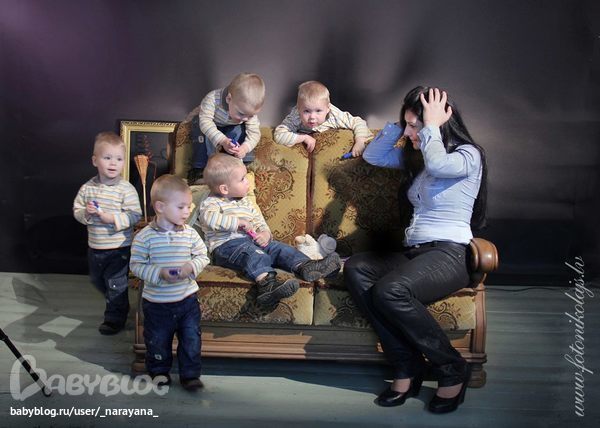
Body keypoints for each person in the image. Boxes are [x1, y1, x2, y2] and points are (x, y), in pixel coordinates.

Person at [344, 86, 488, 414]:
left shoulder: (467, 155)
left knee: (390, 290)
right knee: (357, 267)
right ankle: (407, 365)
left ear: (440, 122)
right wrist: (403, 124)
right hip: (416, 253)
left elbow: (438, 166)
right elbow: (373, 155)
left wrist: (431, 125)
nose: (410, 134)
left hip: (451, 255)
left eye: (415, 126)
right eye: (408, 126)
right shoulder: (420, 156)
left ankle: (451, 367)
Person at [196, 153, 341, 307]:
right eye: (242, 179)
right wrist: (237, 223)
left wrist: (265, 233)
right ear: (224, 189)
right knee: (253, 254)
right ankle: (266, 285)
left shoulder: (245, 203)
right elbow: (208, 219)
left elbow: (259, 221)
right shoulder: (211, 203)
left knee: (279, 248)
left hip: (251, 242)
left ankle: (306, 266)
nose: (247, 182)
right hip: (227, 247)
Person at [130, 175, 210, 390]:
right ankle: (159, 372)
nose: (187, 211)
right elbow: (135, 265)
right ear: (160, 207)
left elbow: (203, 256)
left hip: (187, 300)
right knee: (157, 341)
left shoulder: (190, 234)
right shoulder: (144, 237)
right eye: (181, 207)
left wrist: (191, 267)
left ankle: (190, 375)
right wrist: (159, 273)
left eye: (189, 206)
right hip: (157, 304)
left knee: (191, 340)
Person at [73, 131, 142, 335]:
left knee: (115, 283)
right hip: (95, 247)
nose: (113, 163)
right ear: (95, 161)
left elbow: (134, 215)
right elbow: (77, 211)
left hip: (119, 247)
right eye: (107, 158)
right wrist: (86, 212)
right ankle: (118, 302)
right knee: (97, 280)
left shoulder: (126, 189)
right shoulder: (88, 188)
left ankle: (114, 319)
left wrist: (112, 219)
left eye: (119, 159)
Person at [188, 72, 266, 184]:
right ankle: (199, 169)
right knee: (198, 124)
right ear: (229, 99)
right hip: (211, 126)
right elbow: (205, 122)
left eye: (250, 115)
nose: (245, 118)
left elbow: (254, 133)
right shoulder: (212, 99)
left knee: (241, 128)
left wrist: (244, 148)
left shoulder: (246, 114)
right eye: (241, 113)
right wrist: (223, 140)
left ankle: (239, 165)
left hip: (231, 128)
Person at [274, 80, 373, 157]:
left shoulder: (334, 115)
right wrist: (303, 137)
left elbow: (359, 122)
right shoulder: (296, 116)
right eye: (307, 111)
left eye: (318, 111)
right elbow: (279, 135)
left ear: (327, 109)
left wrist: (360, 141)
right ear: (299, 109)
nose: (312, 117)